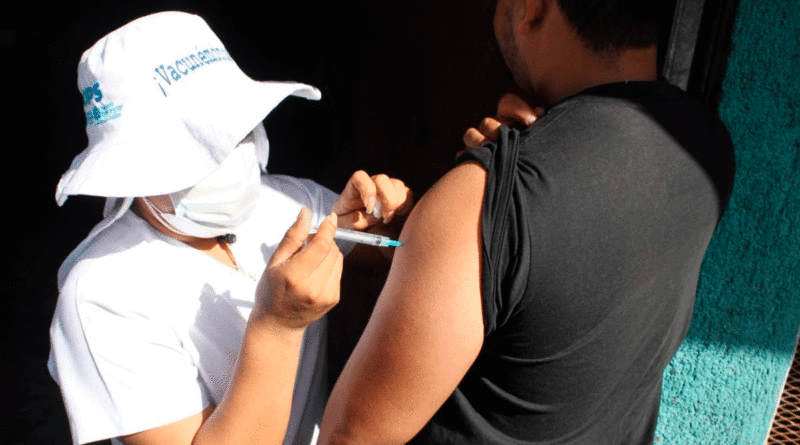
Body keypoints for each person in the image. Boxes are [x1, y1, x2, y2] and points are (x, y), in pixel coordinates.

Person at [318, 0, 736, 443]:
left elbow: (350, 437)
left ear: (531, 7)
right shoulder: (707, 146)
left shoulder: (488, 200)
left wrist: (473, 202)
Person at [48, 11, 411, 445]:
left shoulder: (292, 202)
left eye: (231, 132)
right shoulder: (101, 294)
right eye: (185, 150)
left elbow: (399, 253)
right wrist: (279, 326)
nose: (220, 159)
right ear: (129, 169)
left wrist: (394, 215)